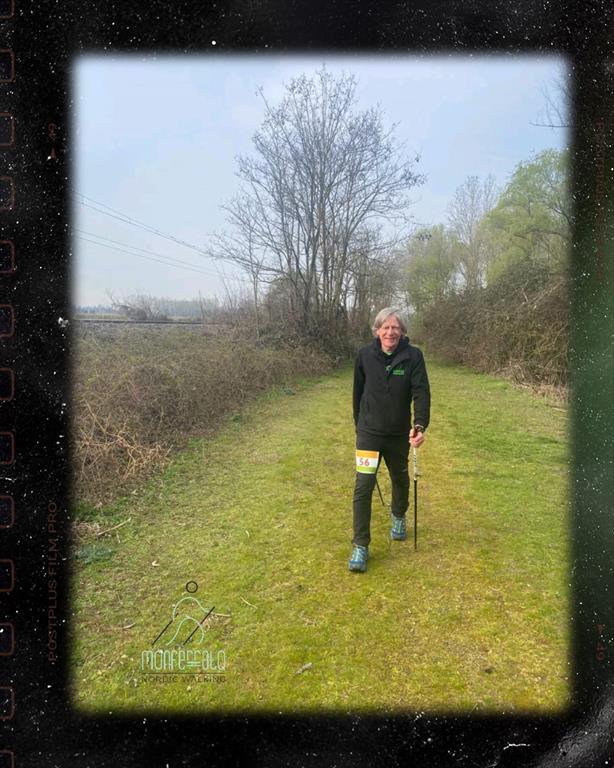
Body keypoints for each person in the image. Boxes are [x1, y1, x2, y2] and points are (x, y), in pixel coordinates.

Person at [349, 308, 431, 572]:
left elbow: (421, 392)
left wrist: (419, 425)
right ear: (377, 331)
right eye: (385, 327)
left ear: (402, 331)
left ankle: (398, 515)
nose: (390, 332)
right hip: (369, 434)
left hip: (398, 434)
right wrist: (359, 427)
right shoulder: (364, 355)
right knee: (363, 487)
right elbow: (357, 394)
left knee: (400, 478)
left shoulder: (413, 356)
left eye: (395, 327)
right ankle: (360, 545)